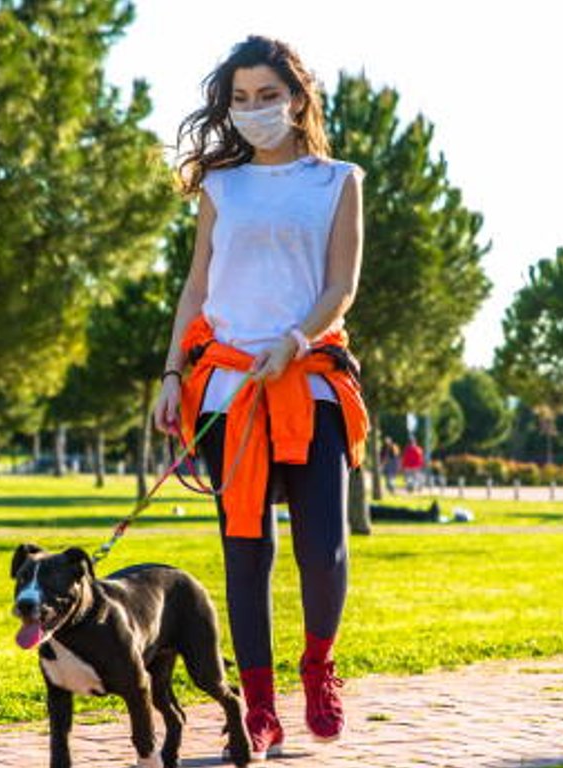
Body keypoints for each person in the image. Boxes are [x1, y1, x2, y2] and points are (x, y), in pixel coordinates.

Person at [151, 35, 369, 761]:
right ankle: (260, 710)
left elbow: (341, 286)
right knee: (246, 549)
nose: (254, 109)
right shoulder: (222, 187)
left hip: (310, 382)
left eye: (268, 96)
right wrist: (172, 374)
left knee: (322, 547)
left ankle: (318, 668)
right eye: (240, 98)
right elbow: (196, 285)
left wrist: (297, 341)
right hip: (230, 390)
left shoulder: (337, 181)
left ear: (298, 99)